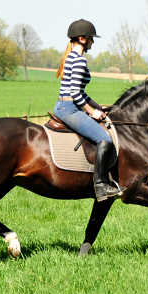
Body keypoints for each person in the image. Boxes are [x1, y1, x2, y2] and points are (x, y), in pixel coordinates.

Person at [54, 19, 123, 200]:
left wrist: (99, 106)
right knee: (104, 139)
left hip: (66, 105)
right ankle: (101, 187)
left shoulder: (71, 57)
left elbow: (81, 93)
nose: (93, 42)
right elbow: (75, 94)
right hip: (69, 108)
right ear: (82, 39)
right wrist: (92, 112)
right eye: (91, 38)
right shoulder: (78, 60)